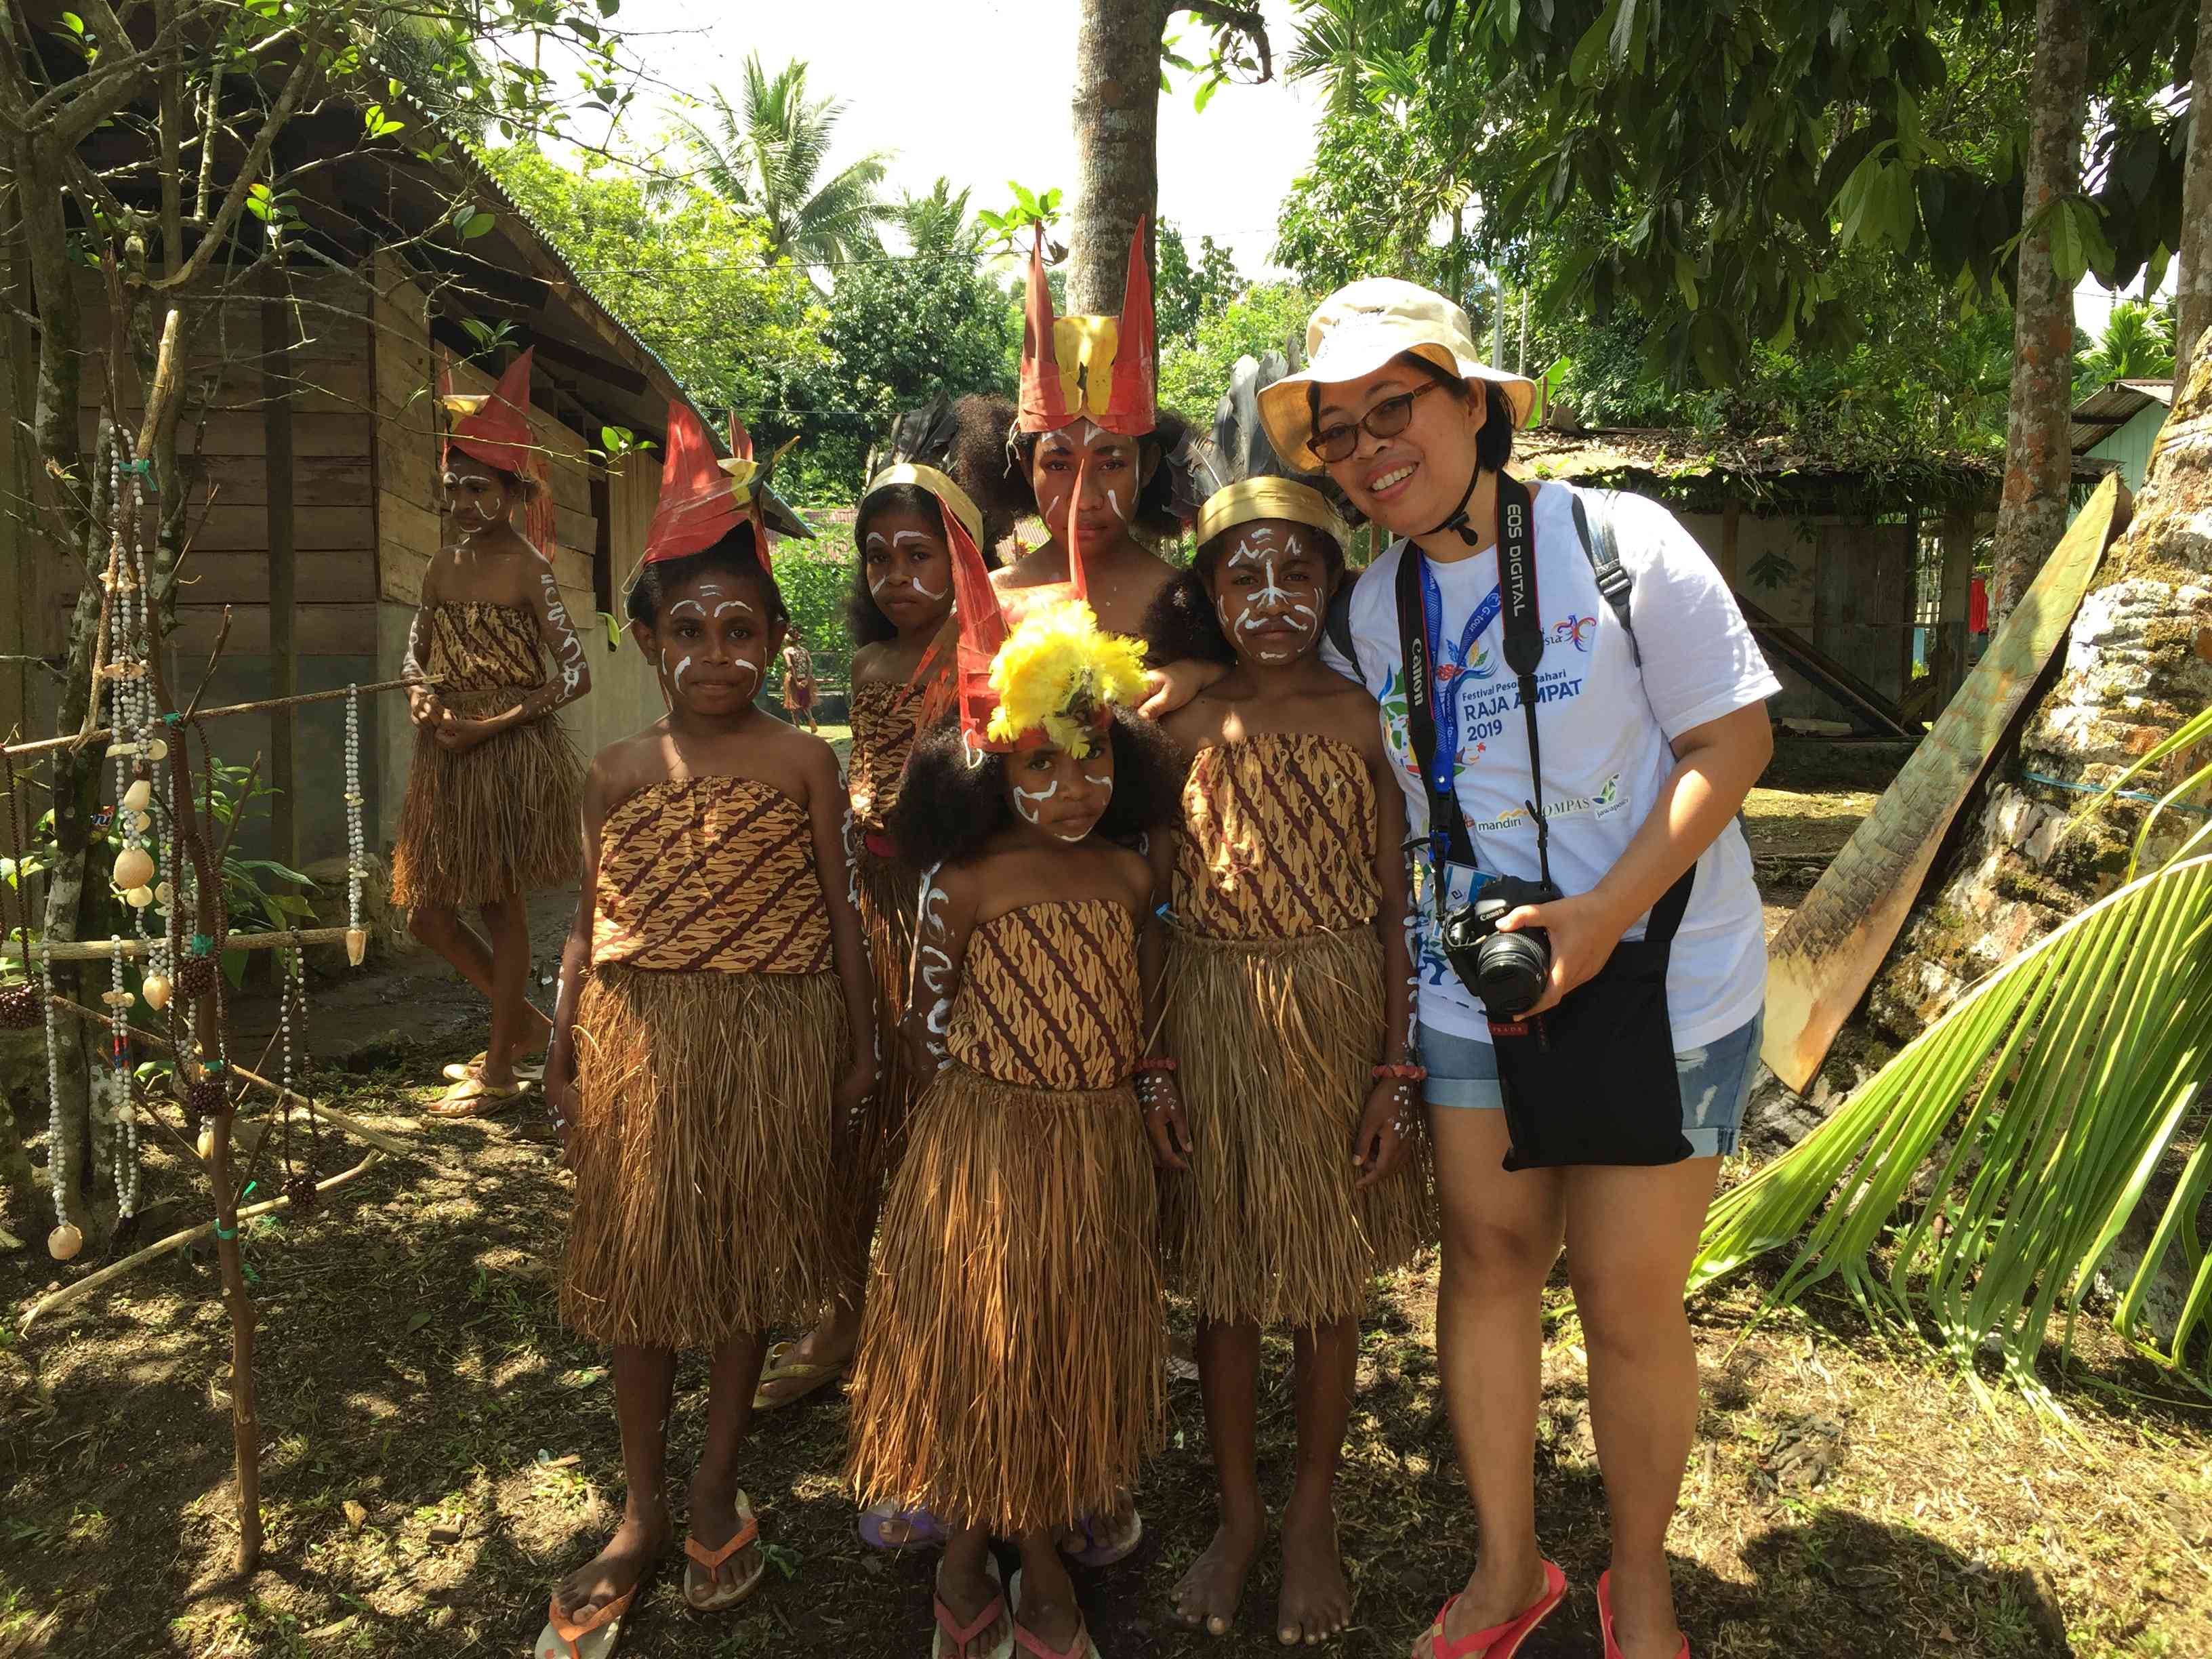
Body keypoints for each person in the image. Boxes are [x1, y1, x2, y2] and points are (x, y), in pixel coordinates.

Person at [1153, 281, 1776, 1659]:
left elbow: (1734, 746)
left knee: (1624, 1294)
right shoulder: (1369, 609)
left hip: (1661, 962)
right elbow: (1252, 672)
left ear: (1477, 404)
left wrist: (1606, 913)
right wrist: (1169, 688)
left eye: (1398, 408)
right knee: (1490, 1262)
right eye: (1339, 432)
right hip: (1473, 985)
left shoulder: (1621, 543)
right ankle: (1509, 1574)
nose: (1372, 449)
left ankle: (1641, 1579)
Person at [533, 403, 876, 1659]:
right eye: (687, 629)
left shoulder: (801, 763)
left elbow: (839, 906)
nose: (714, 652)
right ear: (644, 639)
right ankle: (637, 1504)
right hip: (641, 1036)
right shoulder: (616, 771)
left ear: (776, 639)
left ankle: (715, 1479)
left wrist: (853, 1039)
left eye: (741, 628)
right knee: (644, 1273)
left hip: (772, 1037)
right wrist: (563, 1046)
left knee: (737, 1259)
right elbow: (583, 923)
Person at [845, 497, 1182, 1659]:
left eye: (1089, 762)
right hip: (984, 1141)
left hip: (1090, 1145)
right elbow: (924, 1021)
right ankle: (965, 1540)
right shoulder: (964, 884)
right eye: (1037, 766)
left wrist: (1128, 1096)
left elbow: (1139, 1007)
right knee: (978, 1327)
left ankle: (1037, 1543)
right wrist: (981, 1122)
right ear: (989, 768)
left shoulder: (1130, 884)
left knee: (1058, 1332)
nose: (1068, 791)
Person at [1137, 354, 1431, 1645]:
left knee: (1321, 1282)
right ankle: (1240, 1509)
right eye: (1241, 575)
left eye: (1296, 571)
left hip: (1329, 1020)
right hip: (1208, 1020)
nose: (1269, 597)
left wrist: (1391, 1069)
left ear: (1333, 582)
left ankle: (1309, 1510)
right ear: (1206, 592)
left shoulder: (1366, 720)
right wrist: (1150, 1065)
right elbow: (1146, 909)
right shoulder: (1176, 727)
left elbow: (1391, 908)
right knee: (1224, 1285)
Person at [753, 398, 975, 1433]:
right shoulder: (873, 666)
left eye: (918, 554)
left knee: (945, 1121)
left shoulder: (991, 649)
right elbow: (866, 778)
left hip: (959, 927)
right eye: (879, 559)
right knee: (859, 1118)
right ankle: (842, 1313)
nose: (898, 577)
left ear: (960, 555)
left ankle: (939, 1313)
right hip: (872, 916)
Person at [392, 349, 590, 1117]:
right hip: (445, 751)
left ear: (515, 491)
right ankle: (525, 1029)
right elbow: (416, 650)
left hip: (506, 753)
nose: (462, 501)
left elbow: (575, 674)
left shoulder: (529, 569)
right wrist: (420, 694)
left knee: (502, 910)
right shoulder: (441, 565)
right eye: (452, 488)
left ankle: (503, 1073)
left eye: (479, 487)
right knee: (425, 913)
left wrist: (490, 727)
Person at [948, 221, 1194, 640]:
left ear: (1148, 466)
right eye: (1059, 464)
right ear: (1027, 467)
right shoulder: (990, 601)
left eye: (1112, 463)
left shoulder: (1185, 604)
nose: (1087, 498)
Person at [780, 631, 818, 731]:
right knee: (806, 703)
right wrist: (807, 679)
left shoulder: (787, 651)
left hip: (793, 679)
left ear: (788, 641)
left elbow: (790, 665)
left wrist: (796, 681)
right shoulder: (804, 650)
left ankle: (797, 728)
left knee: (794, 704)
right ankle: (811, 720)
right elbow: (810, 664)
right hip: (806, 678)